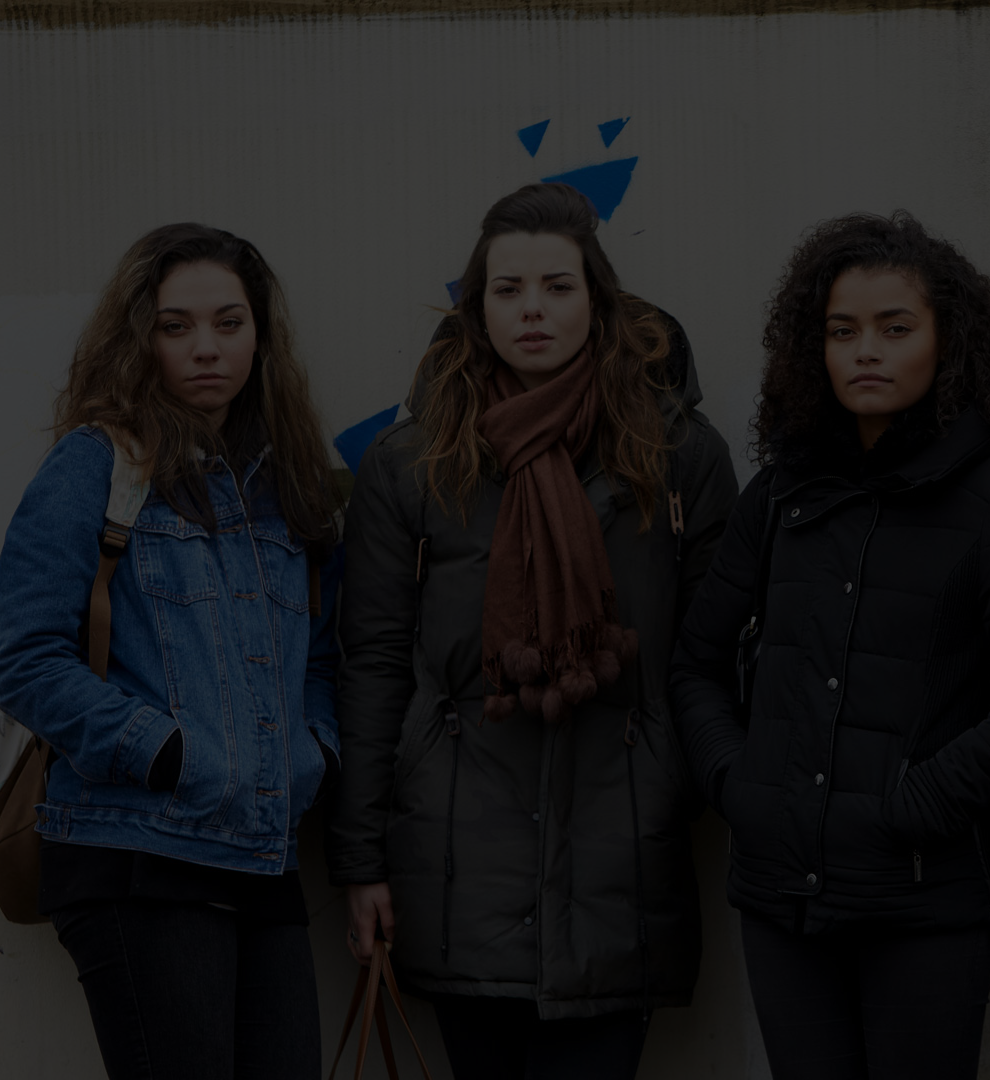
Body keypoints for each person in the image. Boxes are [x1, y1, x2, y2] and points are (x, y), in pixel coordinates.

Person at [325, 182, 737, 1079]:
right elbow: (374, 670)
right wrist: (361, 862)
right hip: (454, 863)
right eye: (508, 291)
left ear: (597, 298)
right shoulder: (412, 463)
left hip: (621, 858)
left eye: (557, 286)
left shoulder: (679, 457)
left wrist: (675, 776)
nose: (534, 310)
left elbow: (714, 653)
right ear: (477, 309)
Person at [667, 212, 990, 1080]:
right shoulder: (781, 491)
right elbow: (695, 662)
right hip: (781, 896)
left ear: (948, 343)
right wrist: (740, 786)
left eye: (896, 330)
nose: (867, 351)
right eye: (843, 331)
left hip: (927, 900)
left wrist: (916, 805)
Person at [0, 223, 342, 1079]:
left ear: (261, 334)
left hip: (263, 856)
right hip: (136, 853)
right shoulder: (95, 466)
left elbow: (320, 661)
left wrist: (312, 754)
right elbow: (26, 660)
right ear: (138, 336)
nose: (205, 349)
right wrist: (165, 751)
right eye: (174, 326)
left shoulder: (288, 485)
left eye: (229, 323)